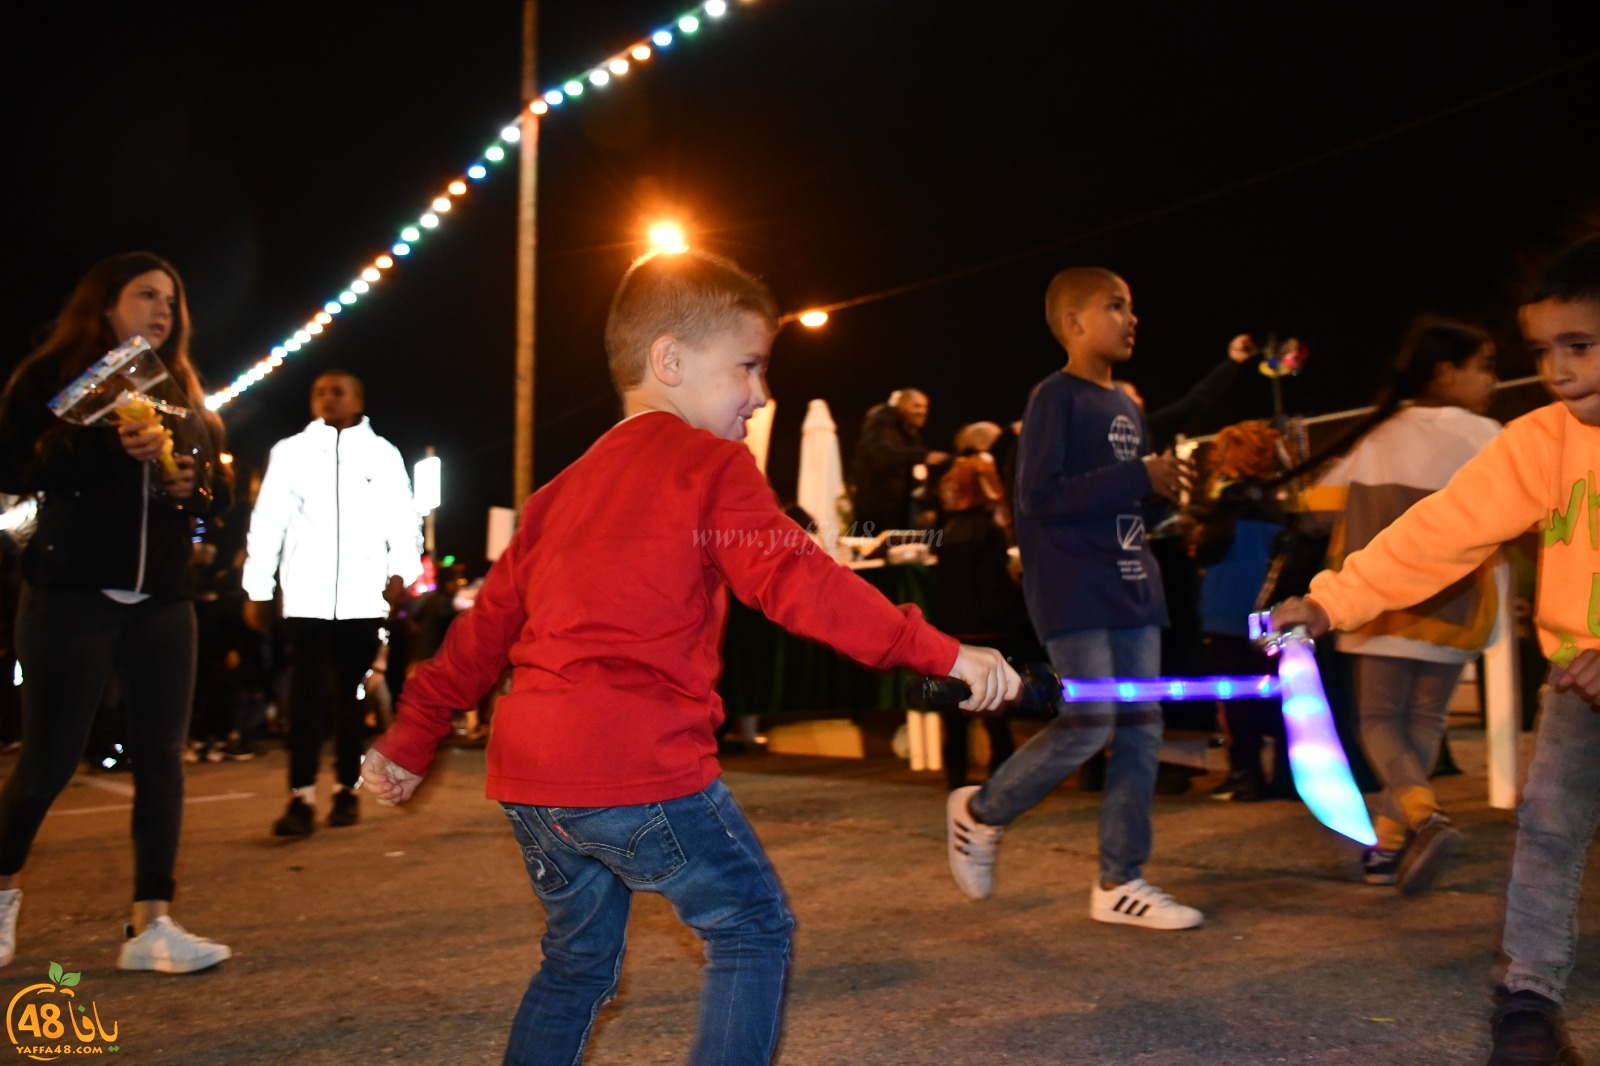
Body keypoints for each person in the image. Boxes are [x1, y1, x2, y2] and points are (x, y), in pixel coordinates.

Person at [358, 249, 1019, 1066]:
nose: (761, 394)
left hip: (531, 779)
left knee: (575, 965)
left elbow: (483, 632)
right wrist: (943, 651)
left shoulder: (556, 494)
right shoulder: (710, 466)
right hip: (637, 762)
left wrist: (411, 738)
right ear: (669, 360)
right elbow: (800, 581)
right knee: (751, 927)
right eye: (748, 365)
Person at [1274, 237, 1600, 1066]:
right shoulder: (1539, 440)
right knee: (1549, 830)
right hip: (1578, 683)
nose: (1559, 371)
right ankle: (1526, 1004)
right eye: (1543, 351)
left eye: (1581, 346)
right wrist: (1329, 598)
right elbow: (1439, 532)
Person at [944, 265, 1202, 930]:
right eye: (1115, 306)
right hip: (1074, 586)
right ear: (1073, 323)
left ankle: (1122, 881)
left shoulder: (1128, 406)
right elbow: (1040, 498)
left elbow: (1120, 499)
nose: (1131, 318)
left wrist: (1161, 493)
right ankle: (981, 811)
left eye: (1132, 305)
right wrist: (1135, 477)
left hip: (1132, 585)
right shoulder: (1054, 397)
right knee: (1089, 723)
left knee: (1143, 731)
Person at [0, 251, 231, 972]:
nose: (162, 310)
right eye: (146, 295)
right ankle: (3, 894)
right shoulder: (47, 380)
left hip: (163, 601)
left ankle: (151, 925)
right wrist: (107, 447)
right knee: (48, 759)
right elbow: (17, 465)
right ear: (106, 305)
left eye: (172, 299)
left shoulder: (185, 393)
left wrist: (189, 483)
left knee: (163, 760)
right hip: (72, 594)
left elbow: (213, 501)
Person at [1296, 318, 1501, 890]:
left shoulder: (1378, 435)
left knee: (1380, 720)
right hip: (1458, 606)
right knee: (1424, 721)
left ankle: (1423, 816)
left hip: (1379, 601)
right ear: (1446, 371)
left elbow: (1315, 509)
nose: (1491, 380)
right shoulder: (1491, 437)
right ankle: (1388, 844)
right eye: (1484, 366)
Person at [242, 370, 421, 836]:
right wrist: (257, 588)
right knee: (305, 700)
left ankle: (345, 790)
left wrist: (402, 568)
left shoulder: (381, 455)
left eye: (337, 392)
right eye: (319, 391)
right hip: (305, 600)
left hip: (363, 601)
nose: (327, 398)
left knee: (348, 700)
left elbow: (402, 517)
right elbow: (267, 522)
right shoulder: (291, 453)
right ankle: (300, 797)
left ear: (358, 399)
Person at [1186, 420, 1293, 802]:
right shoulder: (1277, 502)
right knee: (1274, 695)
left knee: (1235, 700)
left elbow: (1207, 550)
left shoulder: (1226, 501)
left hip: (1226, 610)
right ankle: (1283, 774)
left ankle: (1244, 774)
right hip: (1269, 612)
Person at [936, 421, 1022, 789]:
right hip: (989, 631)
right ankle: (1003, 779)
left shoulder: (946, 531)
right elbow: (994, 586)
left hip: (953, 632)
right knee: (995, 714)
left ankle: (955, 780)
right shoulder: (988, 531)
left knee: (955, 718)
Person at [847, 388, 950, 533]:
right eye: (916, 406)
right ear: (901, 406)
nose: (923, 411)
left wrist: (925, 506)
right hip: (874, 510)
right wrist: (921, 456)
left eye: (925, 407)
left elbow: (916, 475)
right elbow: (882, 455)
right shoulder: (880, 425)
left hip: (898, 512)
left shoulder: (911, 436)